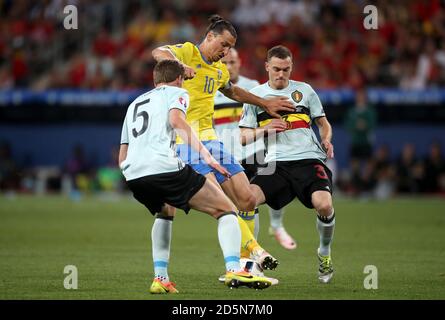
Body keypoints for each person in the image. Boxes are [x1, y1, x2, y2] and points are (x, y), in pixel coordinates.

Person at [152, 15, 295, 272]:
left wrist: (265, 103)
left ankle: (246, 263)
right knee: (222, 204)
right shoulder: (187, 52)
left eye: (230, 47)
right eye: (223, 44)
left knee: (247, 199)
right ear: (210, 36)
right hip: (185, 142)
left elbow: (231, 90)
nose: (226, 51)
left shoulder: (219, 70)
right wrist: (179, 66)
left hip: (213, 141)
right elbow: (158, 51)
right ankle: (250, 258)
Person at [119, 60, 272, 294]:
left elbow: (123, 152)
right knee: (226, 209)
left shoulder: (134, 104)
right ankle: (234, 269)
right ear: (179, 79)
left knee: (165, 211)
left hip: (134, 174)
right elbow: (177, 121)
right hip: (164, 166)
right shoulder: (178, 92)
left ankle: (160, 278)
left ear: (155, 79)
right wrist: (207, 157)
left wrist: (131, 172)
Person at [239, 45, 336, 284]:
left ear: (291, 67)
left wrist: (326, 138)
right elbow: (242, 136)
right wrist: (265, 129)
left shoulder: (305, 91)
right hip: (276, 164)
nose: (281, 74)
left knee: (324, 205)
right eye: (276, 69)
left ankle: (324, 252)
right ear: (267, 67)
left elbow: (323, 123)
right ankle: (250, 261)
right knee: (246, 198)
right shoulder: (256, 96)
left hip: (308, 159)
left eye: (286, 69)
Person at [214, 48, 296, 251]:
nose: (228, 67)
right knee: (243, 207)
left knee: (270, 190)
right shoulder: (212, 91)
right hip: (227, 154)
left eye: (232, 62)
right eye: (224, 63)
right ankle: (250, 253)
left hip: (254, 150)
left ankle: (276, 226)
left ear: (239, 62)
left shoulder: (253, 87)